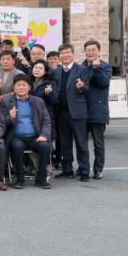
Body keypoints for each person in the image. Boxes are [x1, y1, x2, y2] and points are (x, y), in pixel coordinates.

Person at [0, 74, 53, 189]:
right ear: (14, 88)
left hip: (35, 136)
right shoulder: (7, 101)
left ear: (29, 87)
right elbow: (1, 121)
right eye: (18, 85)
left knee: (45, 146)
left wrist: (44, 135)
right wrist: (10, 118)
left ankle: (41, 179)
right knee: (17, 146)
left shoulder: (38, 101)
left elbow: (46, 121)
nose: (21, 87)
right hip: (16, 136)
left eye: (24, 85)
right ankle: (20, 179)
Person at [53, 43, 92, 181]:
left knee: (81, 143)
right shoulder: (56, 72)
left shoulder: (82, 69)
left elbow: (87, 89)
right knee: (64, 143)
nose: (65, 55)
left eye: (68, 52)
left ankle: (84, 171)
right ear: (59, 56)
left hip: (77, 113)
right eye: (62, 53)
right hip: (61, 113)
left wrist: (82, 87)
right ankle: (67, 170)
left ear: (73, 53)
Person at [83, 40, 112, 180]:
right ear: (85, 52)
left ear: (99, 51)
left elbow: (103, 82)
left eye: (93, 50)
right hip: (82, 111)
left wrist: (96, 68)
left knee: (98, 144)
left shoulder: (105, 66)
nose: (91, 52)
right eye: (88, 50)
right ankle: (83, 169)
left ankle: (98, 169)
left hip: (98, 111)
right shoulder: (81, 66)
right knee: (81, 143)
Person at [29, 59, 58, 140]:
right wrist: (43, 93)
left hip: (45, 116)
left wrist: (49, 93)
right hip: (30, 116)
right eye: (35, 67)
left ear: (45, 72)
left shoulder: (50, 83)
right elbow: (30, 98)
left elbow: (54, 100)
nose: (37, 70)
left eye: (40, 68)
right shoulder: (27, 82)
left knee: (45, 141)